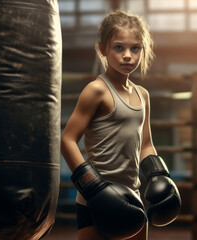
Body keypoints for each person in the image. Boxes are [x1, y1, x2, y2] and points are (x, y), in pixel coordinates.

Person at [61, 10, 181, 240]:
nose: (127, 55)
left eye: (135, 48)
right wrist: (94, 189)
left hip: (132, 199)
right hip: (95, 200)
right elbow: (67, 140)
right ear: (102, 49)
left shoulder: (142, 95)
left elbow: (146, 144)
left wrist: (159, 176)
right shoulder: (96, 91)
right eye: (119, 48)